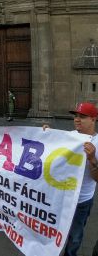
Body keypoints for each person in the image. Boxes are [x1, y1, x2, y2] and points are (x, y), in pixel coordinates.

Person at [44, 102, 98, 256]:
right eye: (75, 116)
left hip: (81, 201)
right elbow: (53, 148)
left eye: (82, 116)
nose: (77, 119)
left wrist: (93, 160)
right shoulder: (71, 136)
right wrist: (45, 134)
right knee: (52, 230)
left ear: (94, 119)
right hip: (60, 197)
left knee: (75, 236)